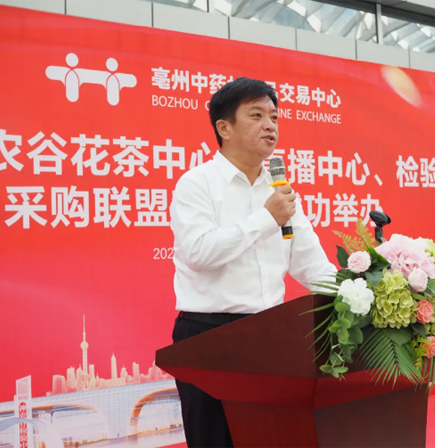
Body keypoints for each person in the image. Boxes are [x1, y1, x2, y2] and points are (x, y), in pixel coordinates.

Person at [170, 77, 336, 448]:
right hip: (209, 338)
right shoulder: (197, 184)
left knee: (269, 439)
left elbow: (311, 266)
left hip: (269, 336)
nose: (270, 126)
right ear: (224, 128)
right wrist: (266, 219)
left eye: (274, 117)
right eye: (256, 115)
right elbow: (198, 254)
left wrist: (362, 296)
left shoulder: (280, 190)